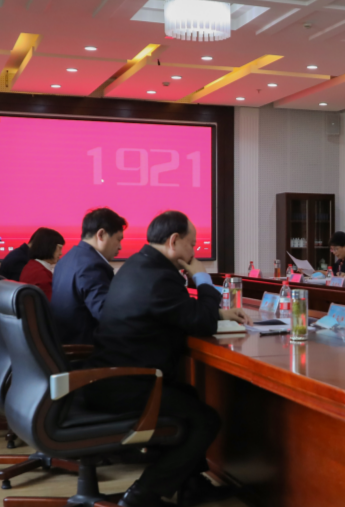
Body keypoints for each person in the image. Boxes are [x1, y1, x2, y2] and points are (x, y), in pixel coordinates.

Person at [84, 211, 251, 507]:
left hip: (111, 376)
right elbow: (201, 322)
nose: (193, 252)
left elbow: (176, 311)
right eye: (192, 244)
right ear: (174, 241)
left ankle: (192, 485)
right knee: (205, 420)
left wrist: (217, 312)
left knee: (188, 396)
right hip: (127, 385)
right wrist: (202, 278)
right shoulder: (160, 276)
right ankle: (141, 496)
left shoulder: (138, 264)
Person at [51, 208, 127, 345]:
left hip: (65, 342)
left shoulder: (66, 259)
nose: (120, 247)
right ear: (101, 234)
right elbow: (106, 315)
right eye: (118, 239)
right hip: (86, 348)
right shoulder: (92, 266)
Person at [18, 228, 65, 301]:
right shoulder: (41, 275)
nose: (61, 253)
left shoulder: (31, 265)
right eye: (59, 248)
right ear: (49, 247)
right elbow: (54, 303)